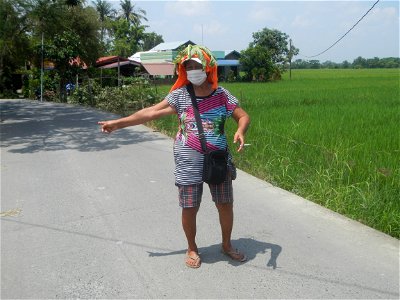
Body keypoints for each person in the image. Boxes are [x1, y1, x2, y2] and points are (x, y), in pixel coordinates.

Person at [98, 45, 250, 269]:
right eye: (187, 66)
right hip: (188, 159)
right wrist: (118, 123)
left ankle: (226, 245)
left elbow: (242, 115)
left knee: (225, 204)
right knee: (190, 206)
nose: (192, 70)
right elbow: (150, 112)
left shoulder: (221, 95)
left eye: (196, 66)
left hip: (217, 159)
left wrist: (240, 130)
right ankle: (192, 248)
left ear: (207, 67)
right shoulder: (180, 95)